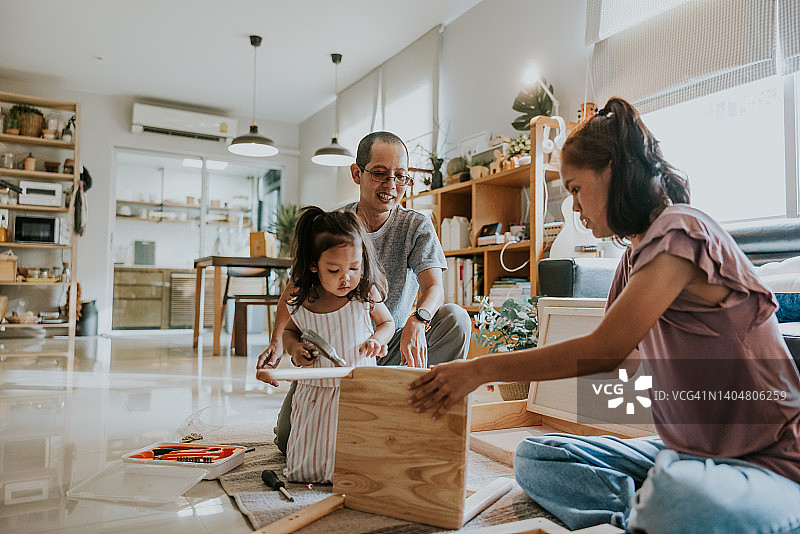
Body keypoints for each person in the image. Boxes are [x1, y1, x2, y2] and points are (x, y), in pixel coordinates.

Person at [408, 98, 800, 533]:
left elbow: (603, 351)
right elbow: (620, 366)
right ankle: (652, 510)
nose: (573, 206)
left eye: (575, 188)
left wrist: (478, 370)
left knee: (684, 497)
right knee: (536, 457)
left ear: (613, 169)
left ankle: (661, 508)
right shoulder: (633, 259)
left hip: (771, 464)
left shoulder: (680, 230)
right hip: (689, 454)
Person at [258, 131, 471, 454]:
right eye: (380, 174)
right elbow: (295, 288)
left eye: (400, 176)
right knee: (288, 440)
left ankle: (410, 419)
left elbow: (434, 288)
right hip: (334, 355)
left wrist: (418, 319)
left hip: (389, 347)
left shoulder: (416, 225)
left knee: (456, 319)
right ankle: (366, 421)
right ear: (357, 174)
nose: (391, 185)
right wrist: (278, 340)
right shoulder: (335, 225)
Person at [280, 206, 394, 482]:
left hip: (359, 388)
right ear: (313, 265)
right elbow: (289, 333)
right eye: (334, 270)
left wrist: (377, 341)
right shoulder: (304, 300)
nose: (346, 278)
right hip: (315, 394)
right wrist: (295, 349)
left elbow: (387, 324)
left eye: (354, 268)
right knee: (310, 459)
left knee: (359, 452)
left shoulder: (365, 293)